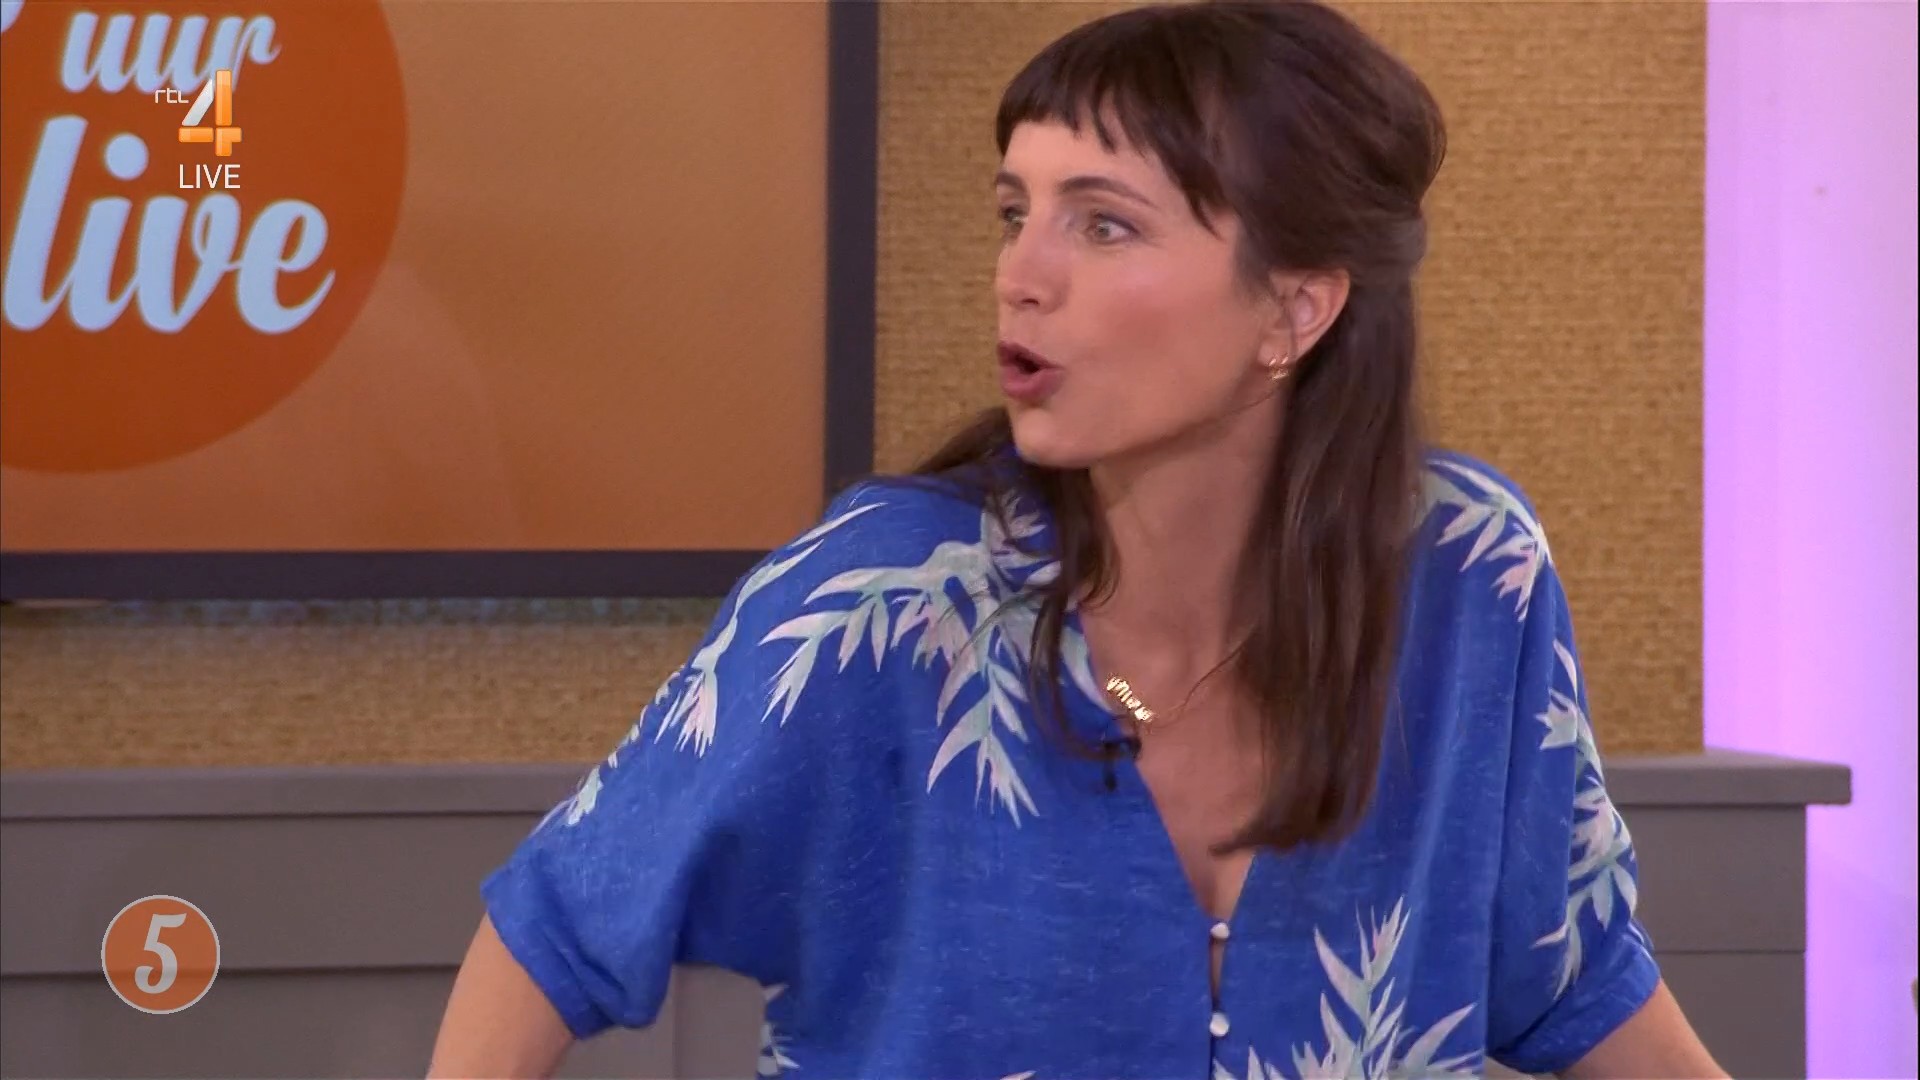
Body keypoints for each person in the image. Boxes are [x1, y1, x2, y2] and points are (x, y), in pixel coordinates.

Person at [428, 2, 1727, 1077]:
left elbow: (1578, 979)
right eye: (1017, 213)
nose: (1022, 275)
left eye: (1102, 224)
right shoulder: (886, 597)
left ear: (1295, 308)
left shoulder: (1469, 575)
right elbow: (555, 926)